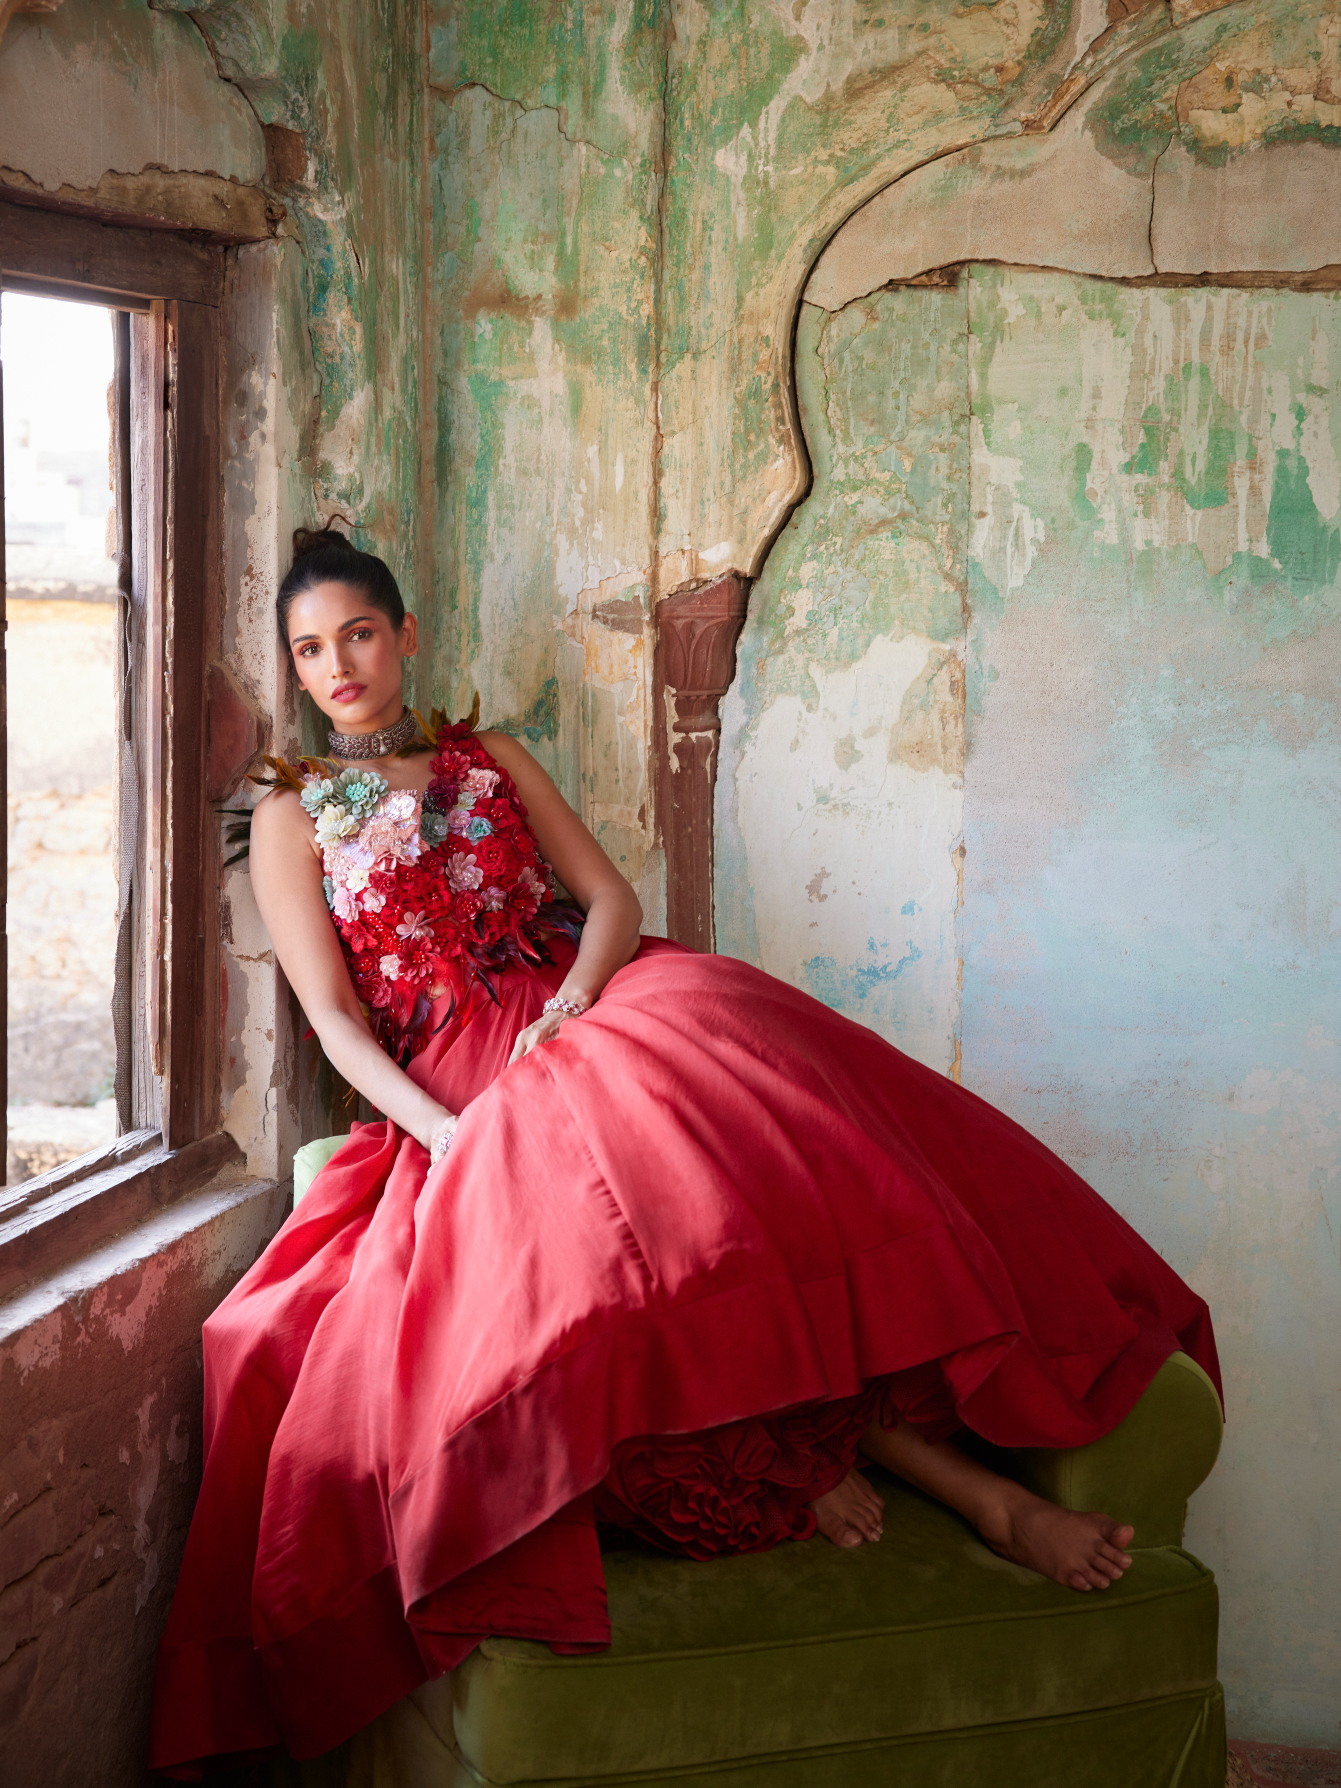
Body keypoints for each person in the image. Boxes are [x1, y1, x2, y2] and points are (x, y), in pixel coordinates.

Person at [148, 529, 1219, 1774]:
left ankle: (963, 1483)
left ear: (408, 638)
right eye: (310, 649)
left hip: (592, 1010)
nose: (339, 666)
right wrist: (444, 1130)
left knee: (748, 1180)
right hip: (454, 1079)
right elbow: (336, 1019)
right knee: (613, 1256)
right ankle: (902, 1482)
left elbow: (610, 900)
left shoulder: (490, 756)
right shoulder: (294, 813)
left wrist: (572, 1008)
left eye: (360, 635)